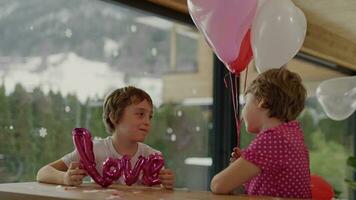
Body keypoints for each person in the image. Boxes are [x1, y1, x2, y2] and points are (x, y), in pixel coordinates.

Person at [37, 86, 175, 189]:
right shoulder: (94, 150)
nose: (147, 121)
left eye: (150, 116)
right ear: (114, 117)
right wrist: (65, 178)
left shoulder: (152, 156)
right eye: (140, 114)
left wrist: (166, 184)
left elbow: (157, 192)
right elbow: (43, 173)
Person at [211, 68, 311, 198]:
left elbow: (218, 185)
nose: (242, 113)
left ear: (262, 101)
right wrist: (242, 166)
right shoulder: (292, 136)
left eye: (246, 102)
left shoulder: (272, 140)